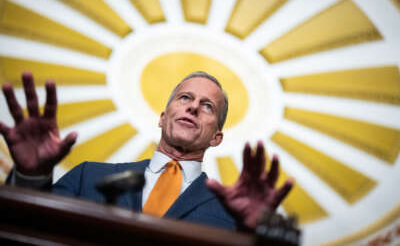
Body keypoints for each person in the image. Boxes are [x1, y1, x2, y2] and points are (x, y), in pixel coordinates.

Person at [0, 71, 293, 230]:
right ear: (162, 118)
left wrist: (256, 231)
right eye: (185, 98)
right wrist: (30, 175)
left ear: (216, 137)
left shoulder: (231, 211)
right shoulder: (87, 176)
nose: (193, 106)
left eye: (207, 106)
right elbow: (25, 232)